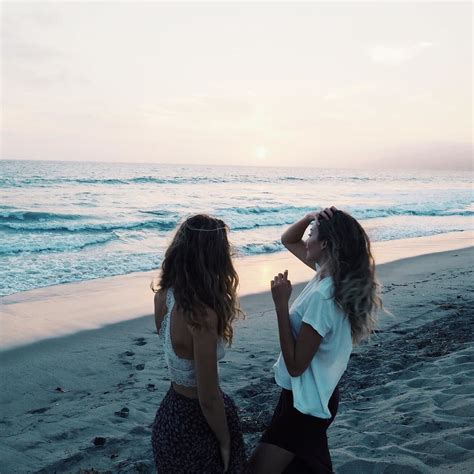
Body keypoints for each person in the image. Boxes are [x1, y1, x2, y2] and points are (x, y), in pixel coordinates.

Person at [249, 206, 382, 473]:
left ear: (325, 244)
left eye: (311, 234)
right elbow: (288, 239)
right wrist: (311, 217)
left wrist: (280, 306)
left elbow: (297, 364)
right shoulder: (330, 276)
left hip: (305, 405)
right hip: (314, 394)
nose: (306, 239)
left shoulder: (325, 295)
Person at [150, 214, 247, 473]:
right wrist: (225, 441)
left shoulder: (163, 296)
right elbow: (208, 398)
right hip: (196, 423)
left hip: (170, 414)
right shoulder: (201, 315)